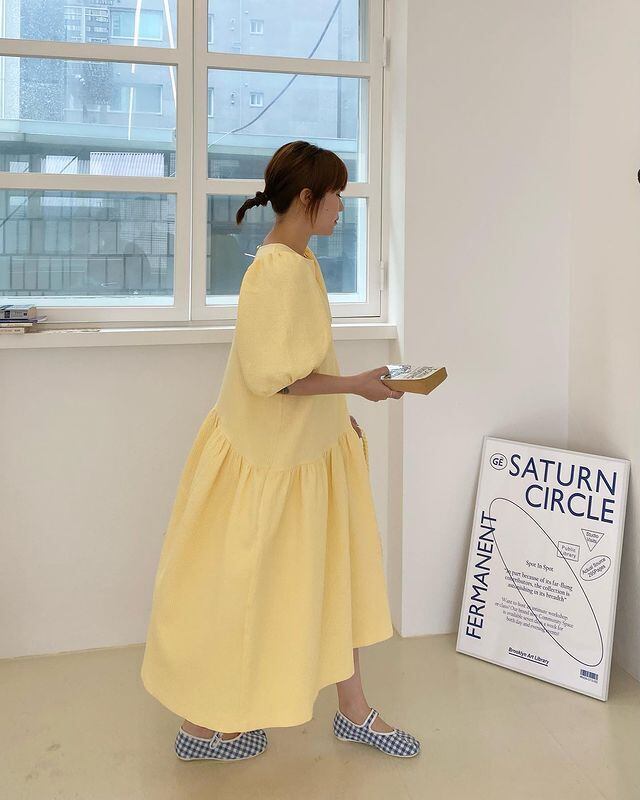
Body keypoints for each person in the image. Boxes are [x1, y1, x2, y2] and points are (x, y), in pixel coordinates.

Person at [140, 140, 421, 761]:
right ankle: (204, 726)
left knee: (333, 574)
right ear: (307, 198)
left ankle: (353, 709)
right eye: (337, 195)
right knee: (247, 588)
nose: (343, 207)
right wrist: (356, 386)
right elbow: (276, 378)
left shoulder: (300, 260)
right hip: (273, 460)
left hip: (307, 452)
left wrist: (342, 412)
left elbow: (301, 361)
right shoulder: (276, 272)